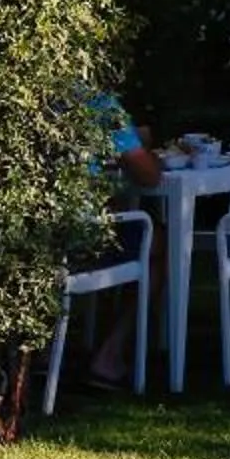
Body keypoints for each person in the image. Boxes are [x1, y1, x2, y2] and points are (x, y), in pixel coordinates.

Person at [77, 87, 165, 390]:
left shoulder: (20, 98)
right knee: (156, 244)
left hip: (32, 234)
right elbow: (148, 175)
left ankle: (43, 353)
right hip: (79, 238)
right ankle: (109, 356)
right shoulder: (96, 103)